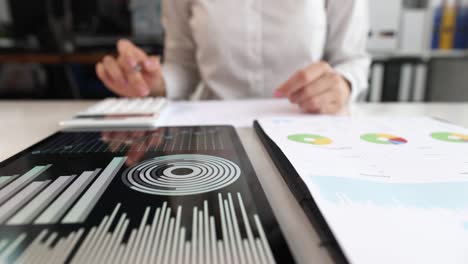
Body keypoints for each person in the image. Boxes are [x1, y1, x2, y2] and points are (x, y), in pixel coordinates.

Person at [96, 0, 370, 114]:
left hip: (307, 128)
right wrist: (155, 84)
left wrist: (342, 84)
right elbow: (183, 64)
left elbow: (352, 59)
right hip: (214, 130)